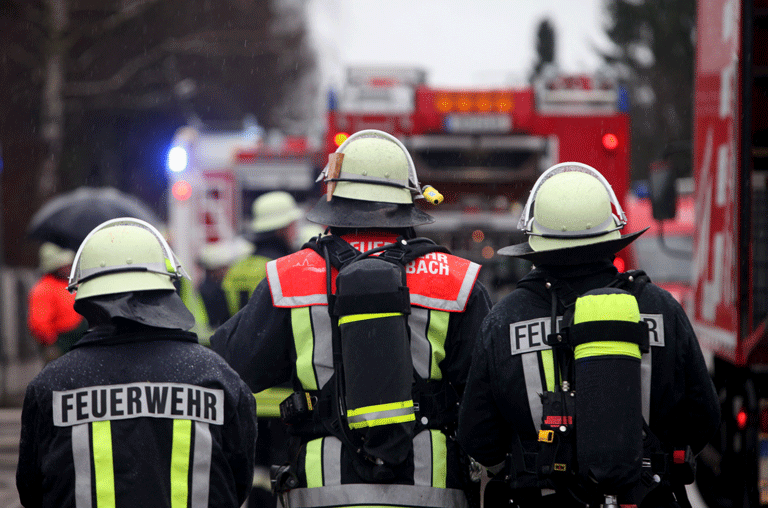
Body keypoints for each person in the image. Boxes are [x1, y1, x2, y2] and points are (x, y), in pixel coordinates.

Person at [211, 129, 492, 508]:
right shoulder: (457, 280)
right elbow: (487, 402)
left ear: (333, 200)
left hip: (320, 495)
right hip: (432, 493)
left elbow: (231, 368)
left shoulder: (289, 276)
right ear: (408, 202)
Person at [456, 162, 720, 508]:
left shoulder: (504, 320)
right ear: (612, 235)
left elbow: (477, 437)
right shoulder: (661, 308)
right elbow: (703, 418)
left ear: (535, 243)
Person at [16, 218, 257, 508]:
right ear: (167, 292)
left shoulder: (50, 386)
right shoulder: (219, 378)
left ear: (87, 301)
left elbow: (32, 491)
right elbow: (238, 481)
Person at [221, 190, 303, 316]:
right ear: (282, 229)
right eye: (293, 225)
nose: (295, 232)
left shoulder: (236, 268)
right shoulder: (284, 269)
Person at [27, 242, 88, 362]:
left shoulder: (69, 283)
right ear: (54, 267)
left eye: (69, 265)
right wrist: (52, 344)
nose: (68, 268)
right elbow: (39, 323)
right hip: (61, 343)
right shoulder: (44, 289)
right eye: (64, 266)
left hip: (78, 338)